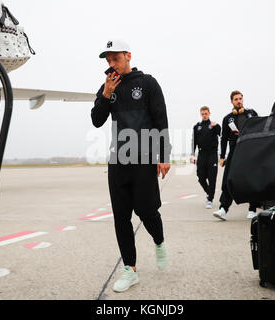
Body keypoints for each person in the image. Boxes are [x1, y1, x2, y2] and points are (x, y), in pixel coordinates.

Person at [91, 39, 172, 293]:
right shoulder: (108, 86)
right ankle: (130, 269)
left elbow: (161, 118)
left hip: (145, 157)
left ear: (128, 56)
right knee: (121, 216)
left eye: (115, 58)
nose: (111, 64)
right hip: (118, 160)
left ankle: (159, 242)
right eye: (108, 60)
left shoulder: (148, 83)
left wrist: (164, 155)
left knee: (147, 211)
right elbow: (96, 120)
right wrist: (105, 95)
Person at [213, 91, 260, 220]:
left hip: (250, 151)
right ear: (232, 102)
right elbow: (223, 139)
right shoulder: (228, 118)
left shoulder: (252, 114)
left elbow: (260, 130)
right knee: (228, 179)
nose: (239, 101)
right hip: (234, 152)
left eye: (240, 98)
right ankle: (223, 208)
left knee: (252, 179)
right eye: (236, 99)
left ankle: (252, 209)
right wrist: (222, 156)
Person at [190, 106, 221, 209]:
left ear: (209, 113)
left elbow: (222, 134)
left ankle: (210, 200)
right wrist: (192, 154)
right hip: (202, 154)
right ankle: (209, 193)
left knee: (212, 178)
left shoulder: (214, 125)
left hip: (212, 154)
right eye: (202, 114)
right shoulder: (197, 127)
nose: (204, 115)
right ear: (201, 114)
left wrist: (217, 126)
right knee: (201, 177)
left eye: (206, 113)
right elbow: (193, 141)